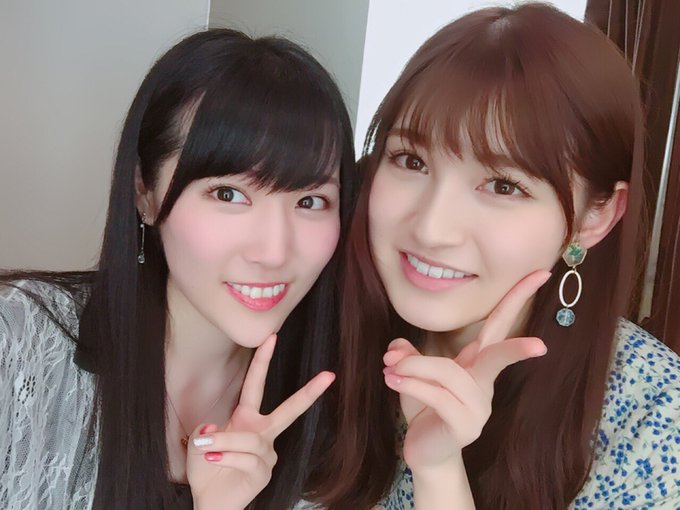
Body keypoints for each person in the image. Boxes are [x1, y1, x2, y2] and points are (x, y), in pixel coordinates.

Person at [311, 3, 679, 509]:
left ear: (594, 217)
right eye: (410, 160)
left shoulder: (655, 419)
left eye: (504, 185)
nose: (431, 228)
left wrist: (439, 472)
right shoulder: (315, 337)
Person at [0, 28, 358, 509]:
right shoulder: (19, 346)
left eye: (311, 201)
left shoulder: (337, 415)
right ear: (143, 192)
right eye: (229, 194)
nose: (274, 252)